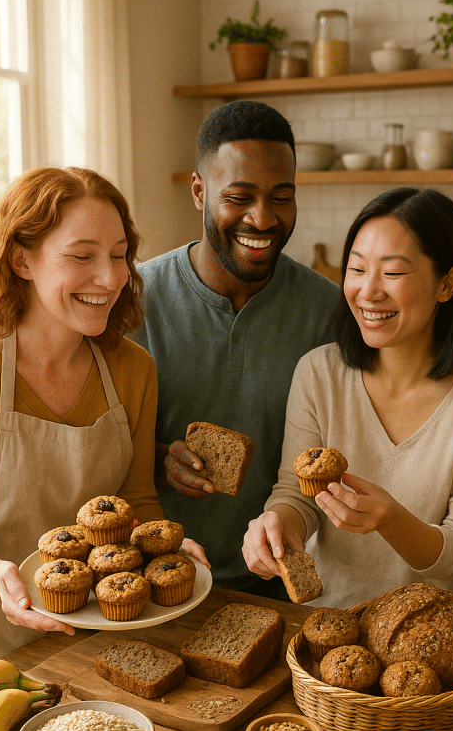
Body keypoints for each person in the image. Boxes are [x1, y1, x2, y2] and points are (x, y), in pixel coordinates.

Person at [242, 187, 453, 610]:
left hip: (438, 639)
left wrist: (392, 522)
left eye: (392, 274)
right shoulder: (318, 373)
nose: (368, 292)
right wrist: (278, 526)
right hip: (328, 629)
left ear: (447, 283)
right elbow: (297, 493)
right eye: (356, 270)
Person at [0, 166, 207, 659]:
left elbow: (136, 500)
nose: (111, 278)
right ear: (21, 260)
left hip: (99, 648)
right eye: (82, 257)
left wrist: (163, 552)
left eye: (120, 256)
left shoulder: (133, 370)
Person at [135, 100, 339, 597]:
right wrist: (157, 456)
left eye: (281, 197)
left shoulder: (329, 310)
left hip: (273, 578)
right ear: (200, 192)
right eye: (239, 196)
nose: (263, 218)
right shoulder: (133, 300)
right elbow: (95, 448)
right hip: (151, 579)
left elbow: (330, 455)